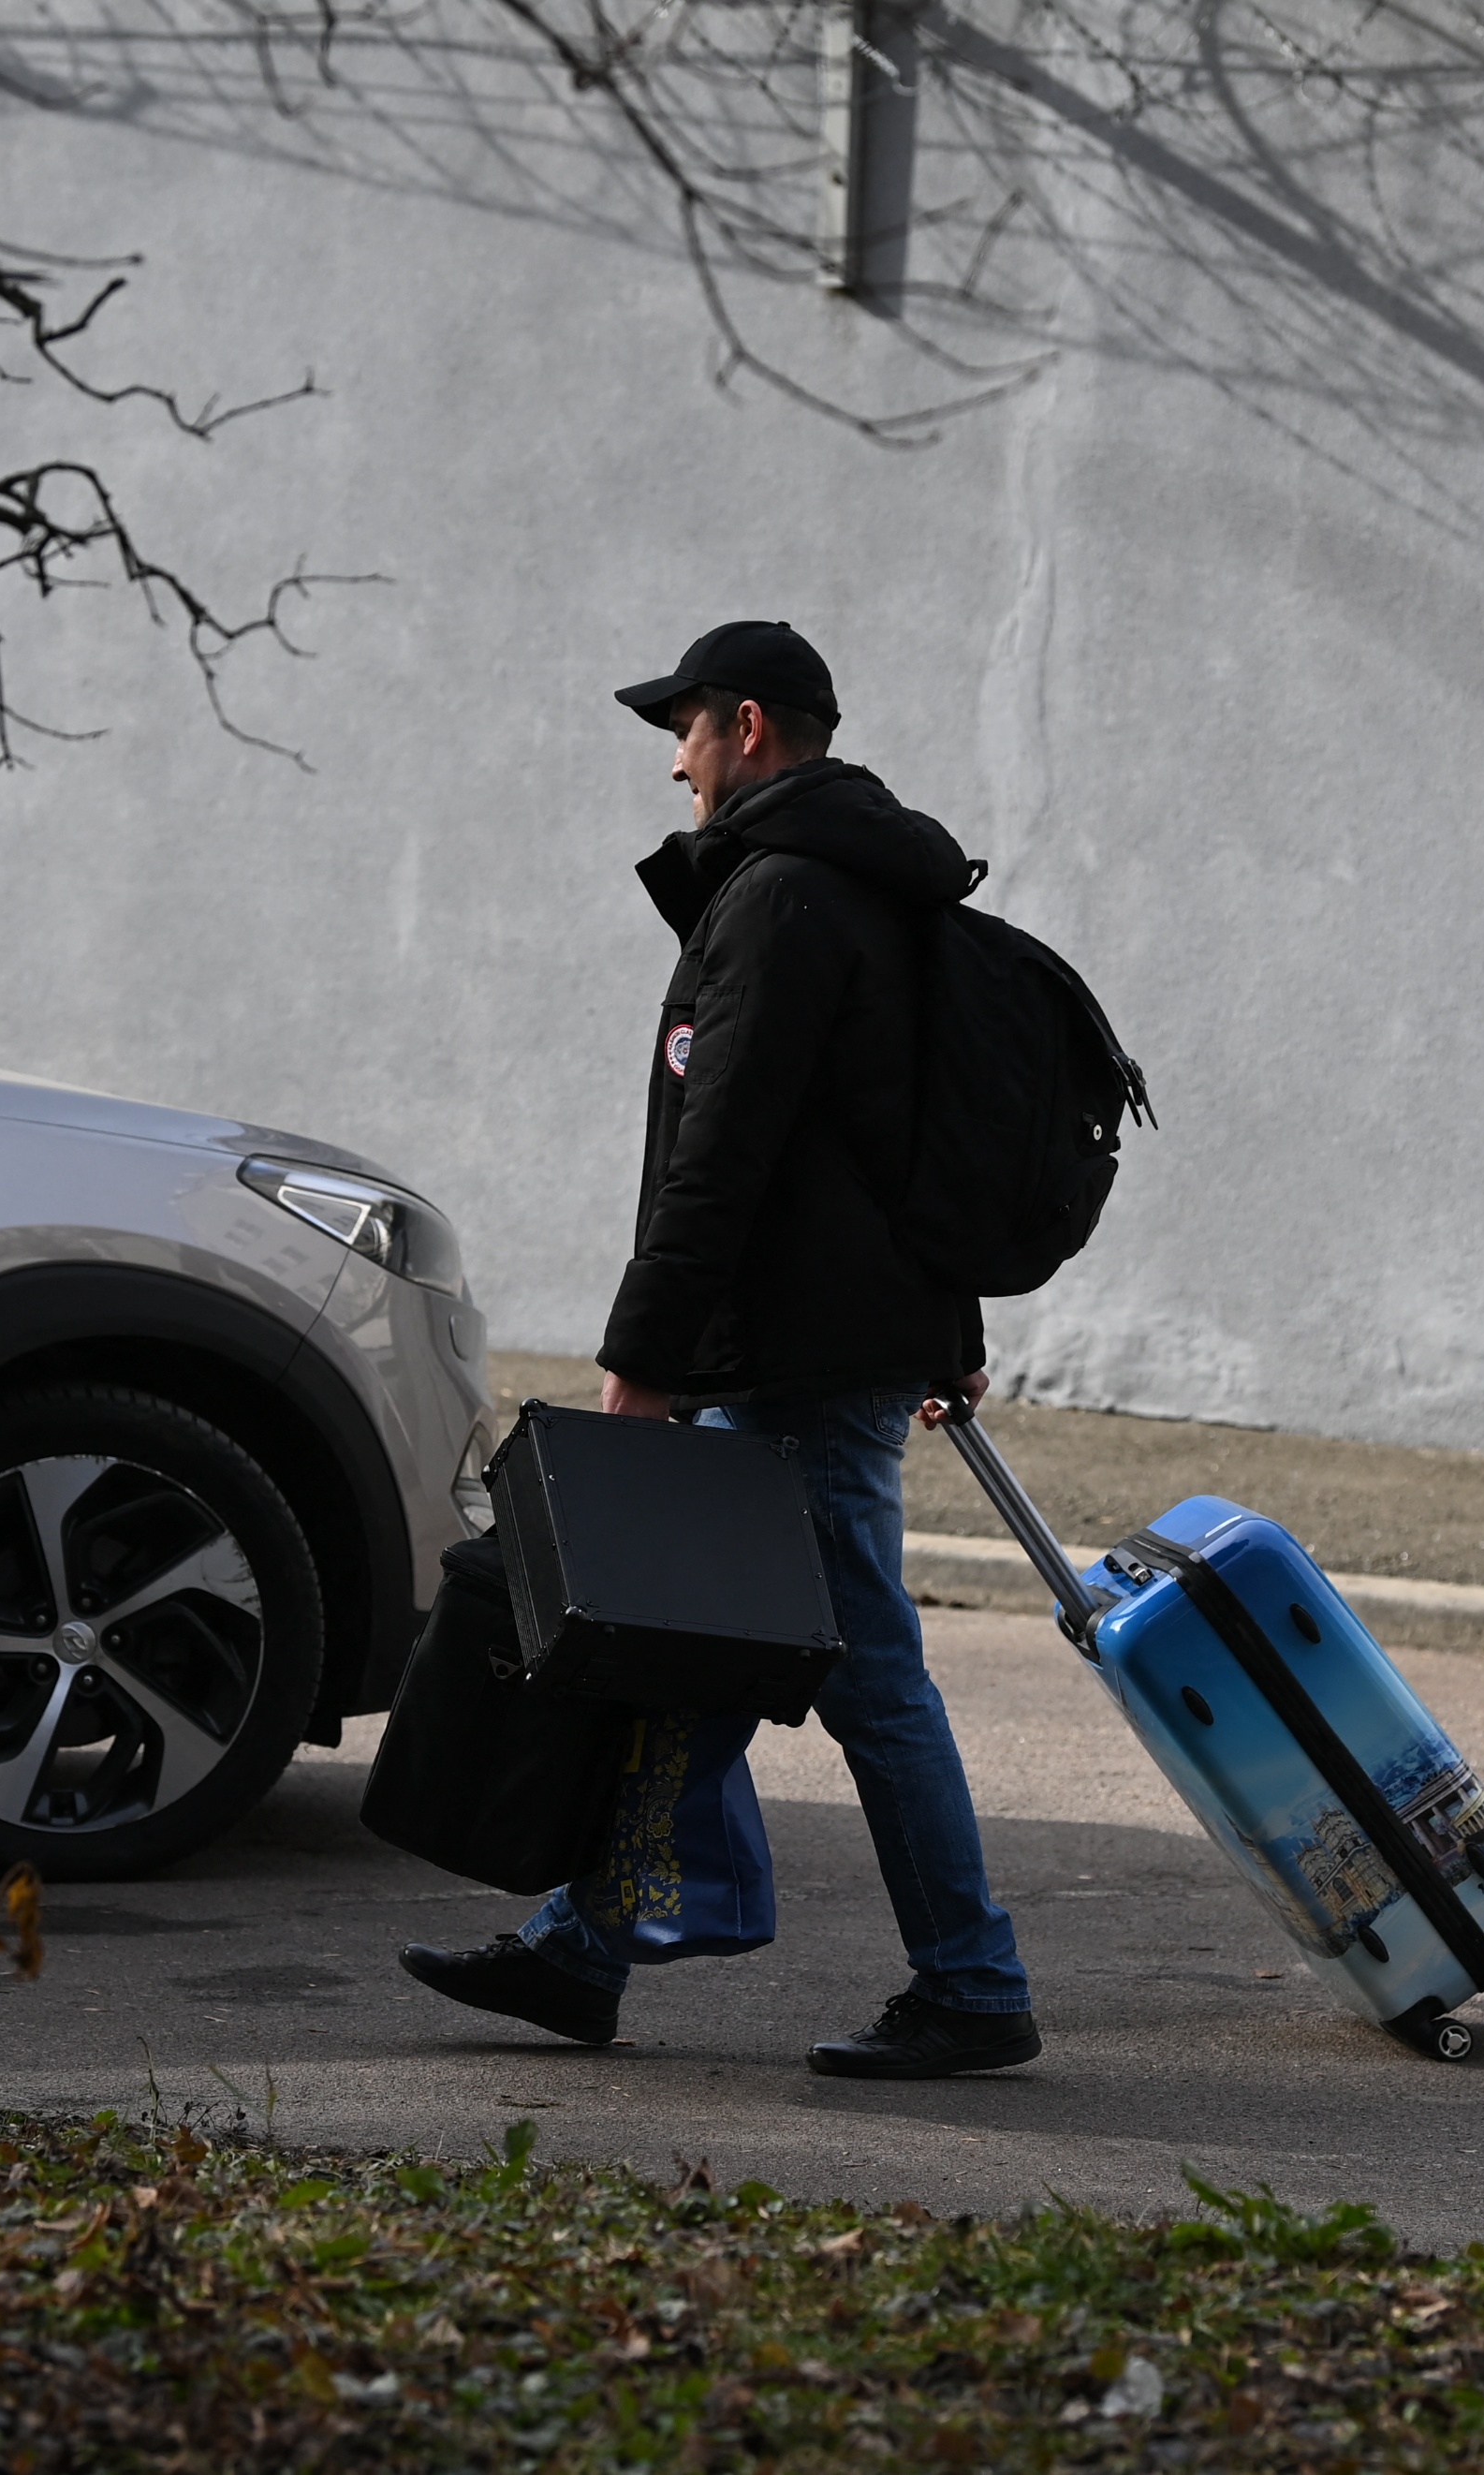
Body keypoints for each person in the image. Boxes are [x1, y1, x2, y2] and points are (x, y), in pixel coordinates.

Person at [399, 620, 1042, 2080]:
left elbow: (726, 1151)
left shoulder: (782, 899)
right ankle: (582, 1953)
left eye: (684, 730)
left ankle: (973, 1982)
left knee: (866, 1678)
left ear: (747, 726)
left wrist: (648, 1351)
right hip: (830, 1344)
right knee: (693, 1655)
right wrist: (944, 1332)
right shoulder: (881, 892)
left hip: (788, 1362)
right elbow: (902, 1148)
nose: (675, 762)